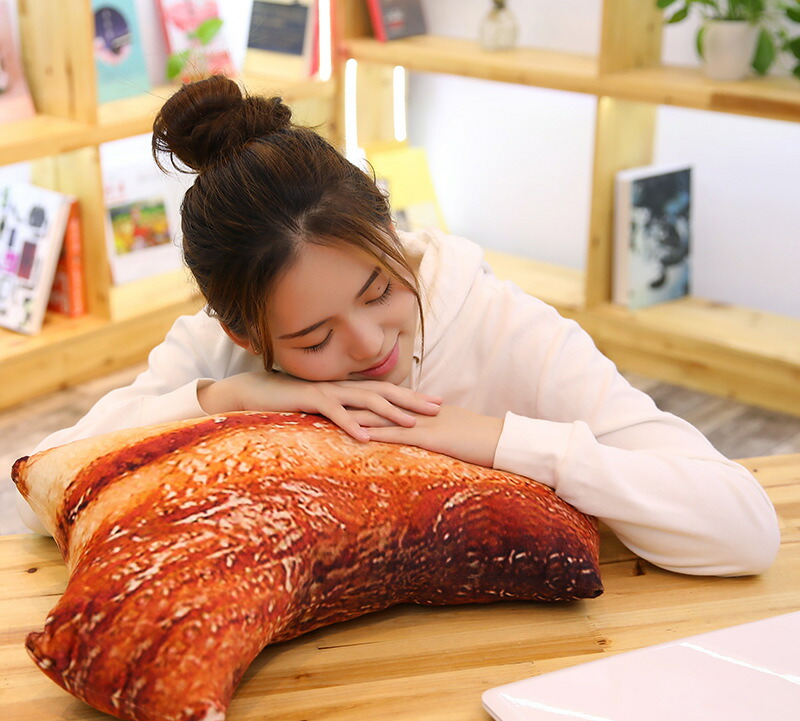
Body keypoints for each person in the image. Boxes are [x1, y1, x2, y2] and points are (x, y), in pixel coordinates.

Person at [17, 75, 779, 577]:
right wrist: (234, 398)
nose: (369, 342)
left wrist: (494, 439)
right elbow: (31, 490)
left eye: (380, 289)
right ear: (245, 333)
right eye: (314, 340)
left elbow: (743, 527)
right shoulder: (216, 352)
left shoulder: (504, 327)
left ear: (391, 229)